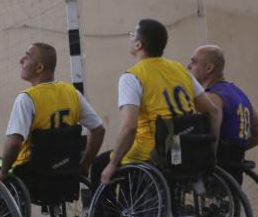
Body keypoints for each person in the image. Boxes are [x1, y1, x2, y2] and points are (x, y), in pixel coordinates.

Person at [94, 19, 221, 186]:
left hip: (153, 151)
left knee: (100, 164)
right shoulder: (181, 70)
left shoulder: (132, 77)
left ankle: (116, 203)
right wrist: (210, 150)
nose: (130, 38)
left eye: (132, 34)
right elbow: (212, 111)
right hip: (186, 147)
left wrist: (112, 164)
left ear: (138, 44)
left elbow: (129, 127)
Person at [0, 43, 105, 180]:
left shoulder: (26, 98)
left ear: (39, 68)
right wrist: (85, 165)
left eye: (27, 57)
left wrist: (3, 172)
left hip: (30, 175)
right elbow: (99, 130)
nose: (21, 61)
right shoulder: (73, 93)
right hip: (66, 172)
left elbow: (14, 144)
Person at [187, 45, 258, 176]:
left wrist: (210, 156)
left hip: (219, 169)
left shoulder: (212, 97)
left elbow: (213, 126)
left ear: (209, 68)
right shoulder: (239, 94)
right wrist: (237, 151)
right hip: (236, 168)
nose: (188, 66)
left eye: (193, 62)